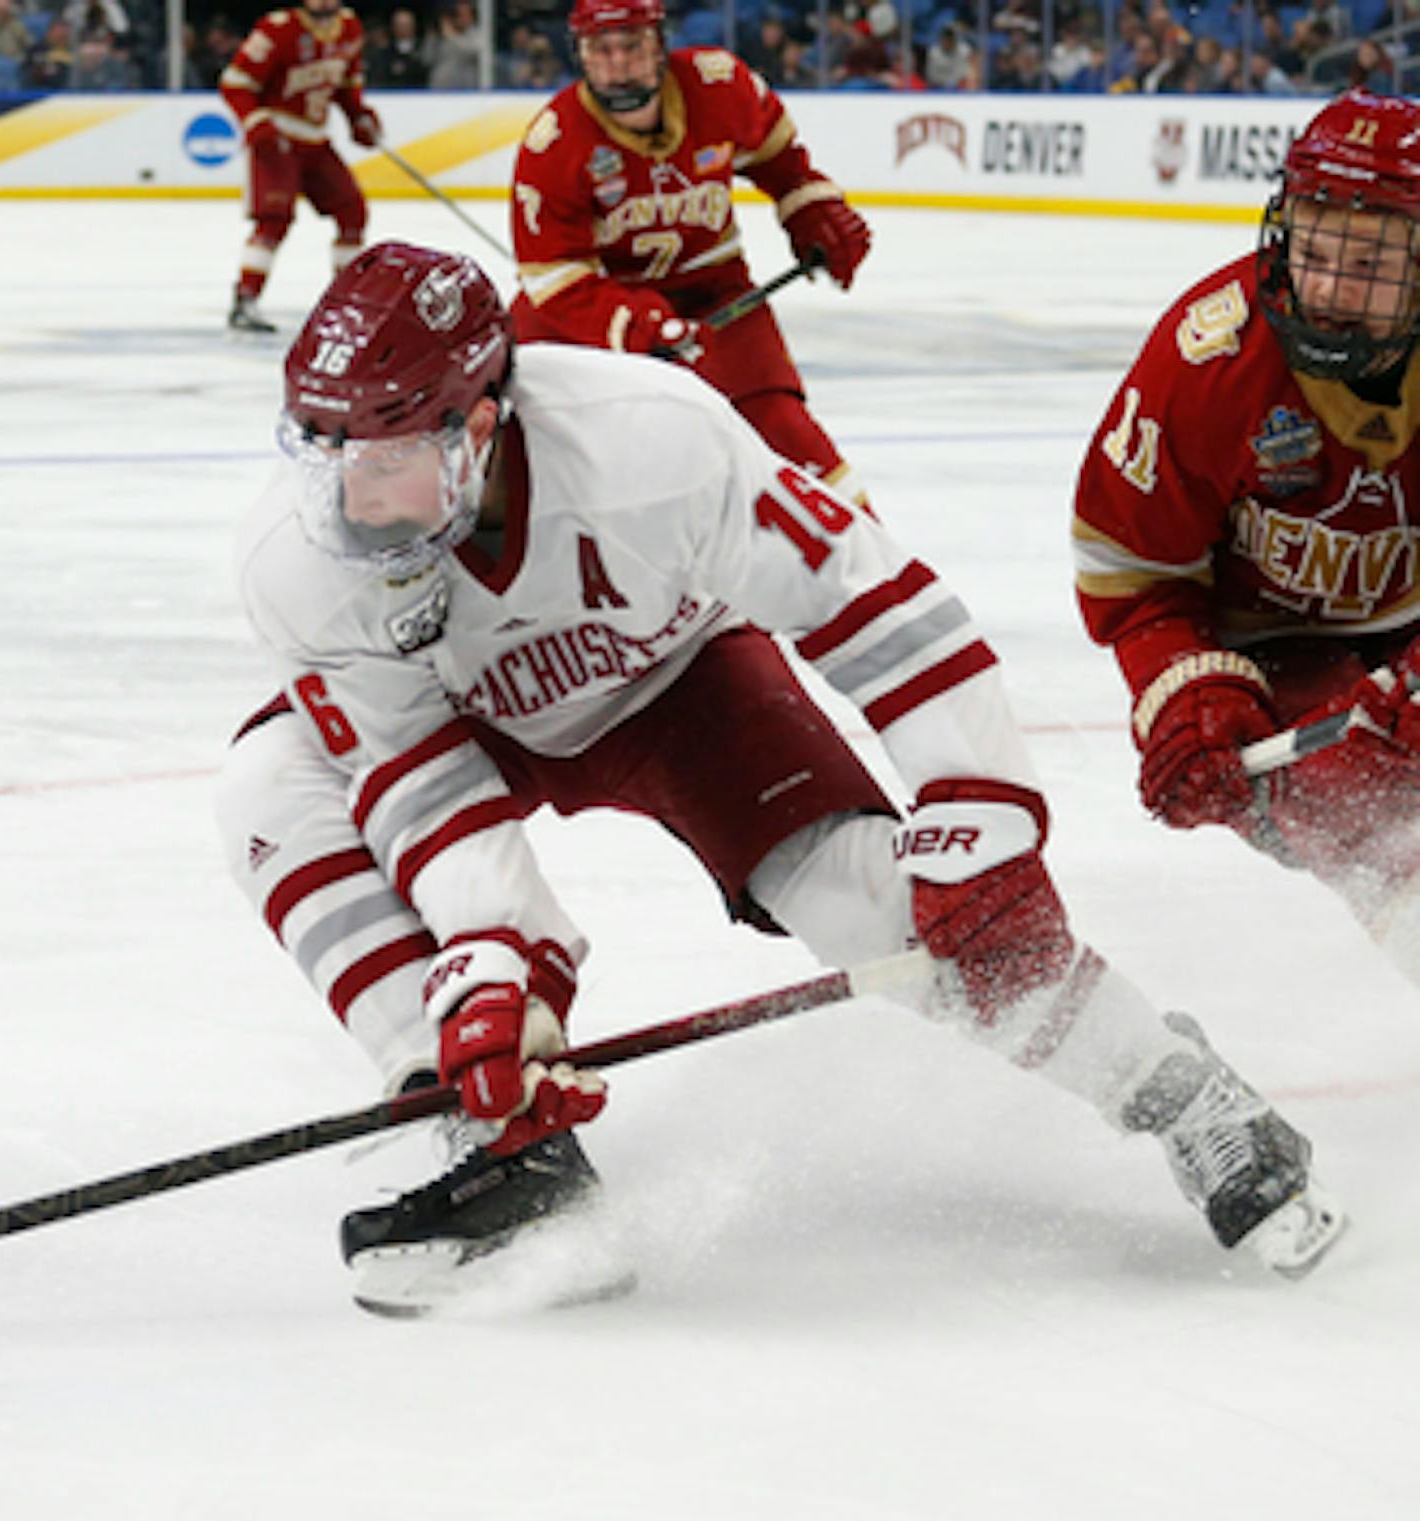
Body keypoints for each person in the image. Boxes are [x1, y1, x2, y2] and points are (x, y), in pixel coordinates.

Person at [219, 242, 1345, 1316]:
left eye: (385, 458)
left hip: (680, 684)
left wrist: (977, 805)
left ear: (477, 425)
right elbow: (415, 776)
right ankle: (501, 1140)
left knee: (893, 912)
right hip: (473, 724)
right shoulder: (299, 561)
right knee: (269, 784)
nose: (349, 503)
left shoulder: (651, 443)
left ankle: (1186, 1094)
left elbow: (876, 603)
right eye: (325, 454)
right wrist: (497, 978)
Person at [1075, 91, 1420, 1002]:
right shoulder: (1206, 360)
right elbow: (1131, 573)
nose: (1334, 291)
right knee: (1379, 822)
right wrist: (1192, 689)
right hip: (1275, 648)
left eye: (1372, 263)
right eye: (1313, 249)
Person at [510, 0, 873, 502]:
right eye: (601, 49)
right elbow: (555, 280)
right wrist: (638, 326)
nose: (617, 63)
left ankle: (866, 569)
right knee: (530, 458)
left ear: (659, 43)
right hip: (592, 316)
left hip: (714, 293)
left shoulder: (719, 86)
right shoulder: (554, 143)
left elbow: (779, 157)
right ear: (580, 53)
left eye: (631, 45)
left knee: (788, 438)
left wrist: (810, 209)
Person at [217, 0, 381, 334]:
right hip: (278, 135)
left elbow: (347, 87)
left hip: (316, 140)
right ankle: (245, 299)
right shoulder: (278, 28)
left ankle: (346, 301)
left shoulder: (349, 28)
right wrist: (256, 122)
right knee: (274, 219)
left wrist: (358, 117)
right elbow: (235, 83)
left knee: (352, 211)